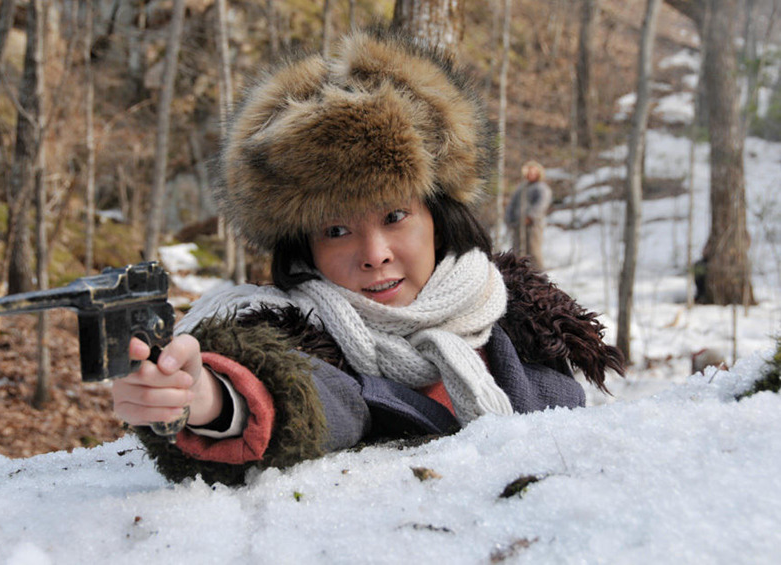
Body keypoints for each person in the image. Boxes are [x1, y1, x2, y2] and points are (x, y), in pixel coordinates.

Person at [112, 29, 624, 486]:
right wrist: (209, 399)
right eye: (337, 230)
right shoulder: (302, 335)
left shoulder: (521, 312)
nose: (374, 255)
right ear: (306, 246)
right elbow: (296, 392)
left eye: (395, 217)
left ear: (438, 219)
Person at [505, 161, 553, 270]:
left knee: (533, 251)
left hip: (533, 225)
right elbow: (512, 204)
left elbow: (542, 204)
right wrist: (509, 219)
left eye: (533, 172)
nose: (530, 174)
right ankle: (519, 276)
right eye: (529, 171)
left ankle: (539, 276)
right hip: (518, 225)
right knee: (517, 251)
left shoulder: (541, 188)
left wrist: (531, 216)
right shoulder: (521, 188)